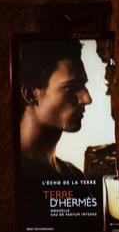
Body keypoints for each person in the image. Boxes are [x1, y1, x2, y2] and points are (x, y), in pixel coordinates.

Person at [18, 39, 91, 181]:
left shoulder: (74, 176)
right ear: (30, 94)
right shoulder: (13, 172)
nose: (87, 99)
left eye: (83, 86)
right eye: (70, 87)